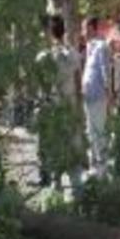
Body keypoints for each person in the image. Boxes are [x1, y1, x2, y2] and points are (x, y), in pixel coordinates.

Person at [34, 15, 84, 191]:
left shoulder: (43, 58)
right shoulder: (73, 55)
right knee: (72, 146)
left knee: (54, 148)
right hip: (70, 107)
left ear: (48, 32)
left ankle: (57, 189)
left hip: (53, 109)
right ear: (64, 31)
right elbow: (79, 84)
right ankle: (78, 189)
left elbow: (42, 86)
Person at [80, 17, 111, 176]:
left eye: (84, 28)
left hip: (99, 96)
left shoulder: (102, 46)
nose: (82, 32)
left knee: (99, 131)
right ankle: (94, 166)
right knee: (90, 131)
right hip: (88, 96)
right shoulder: (89, 46)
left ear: (92, 28)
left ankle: (102, 167)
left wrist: (109, 95)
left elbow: (105, 72)